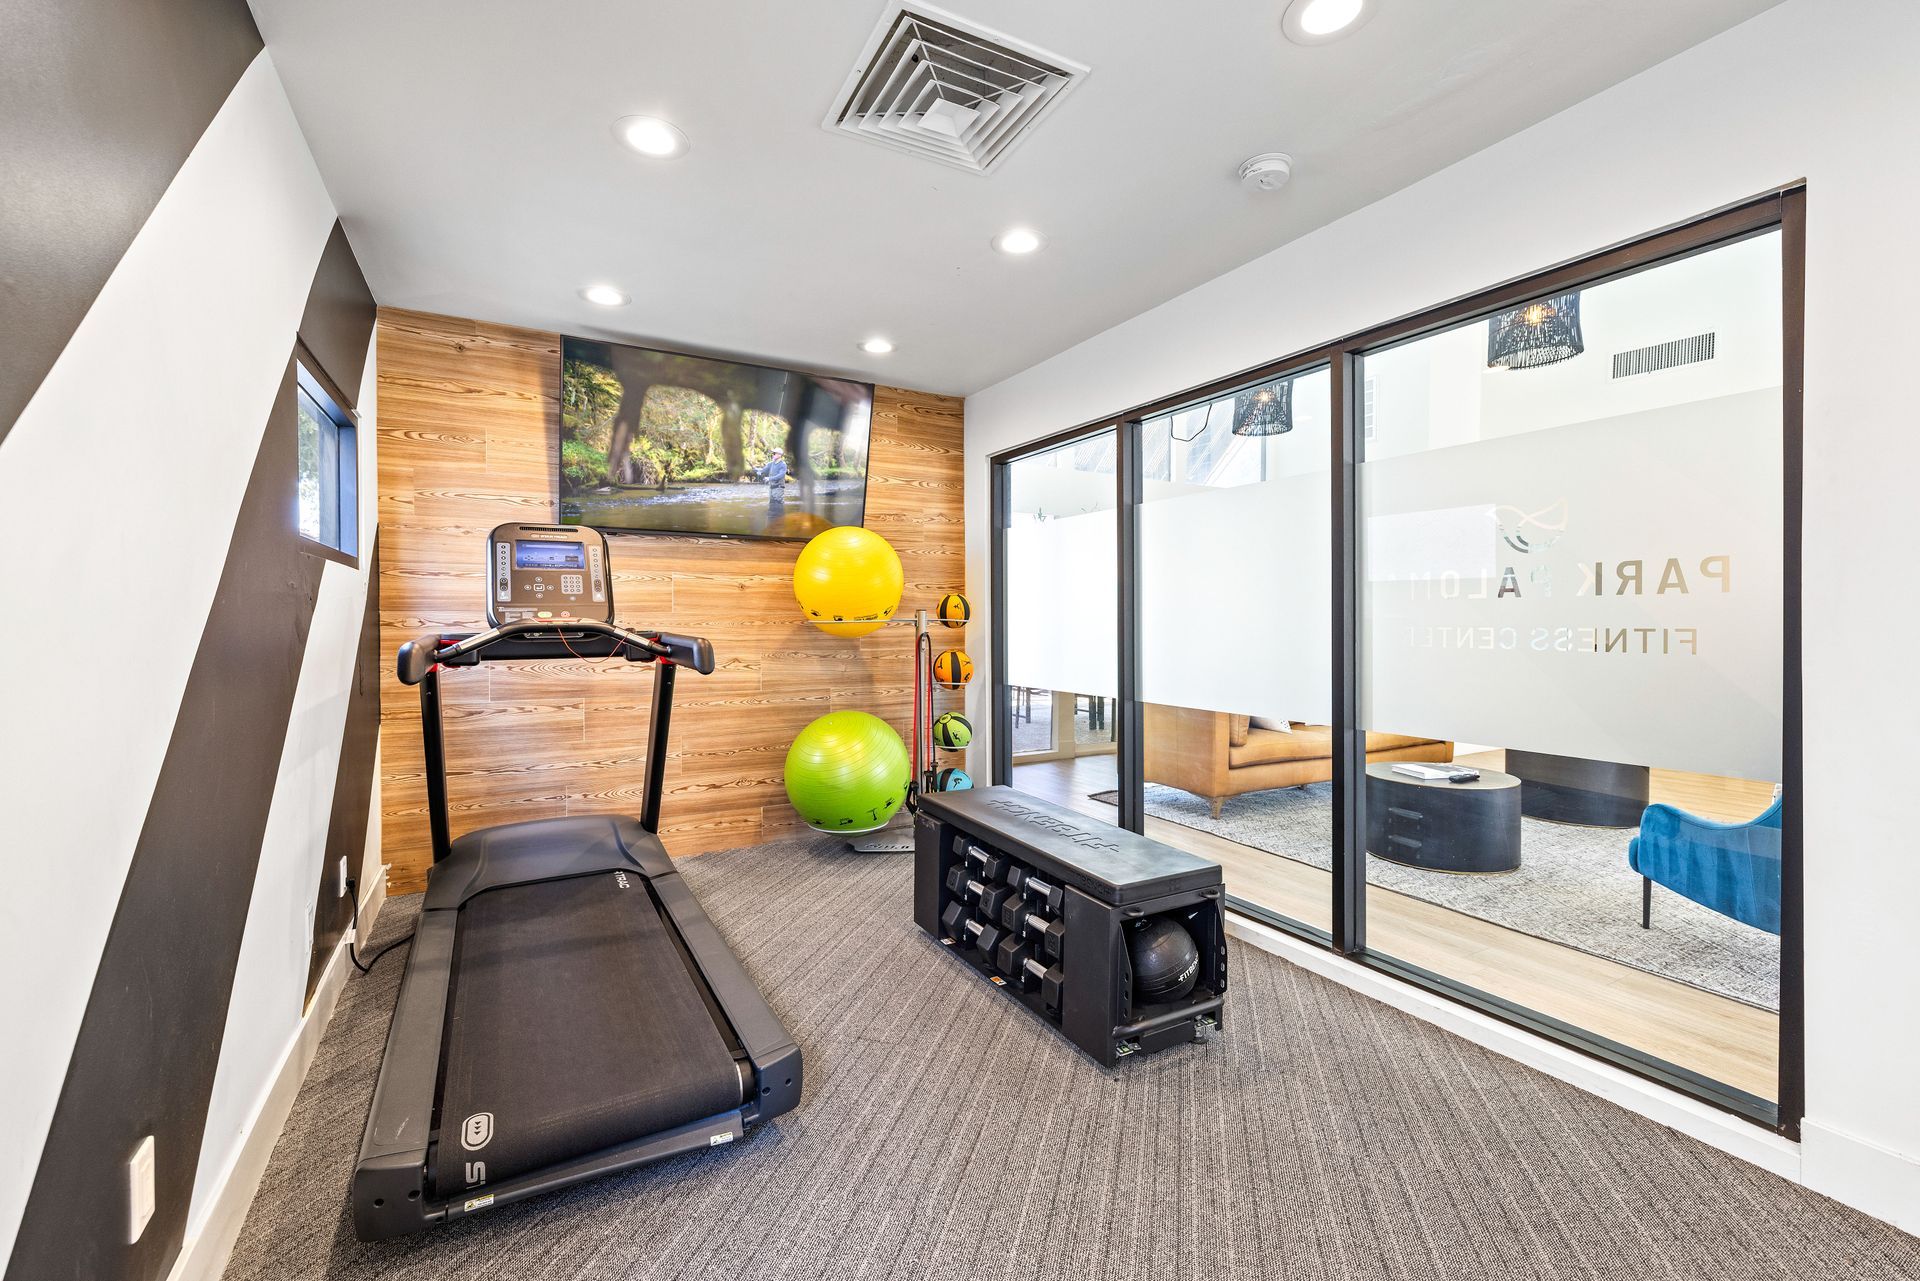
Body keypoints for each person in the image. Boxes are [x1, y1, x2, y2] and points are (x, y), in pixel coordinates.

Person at [763, 447, 788, 515]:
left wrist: (769, 478)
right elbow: (764, 470)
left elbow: (781, 475)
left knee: (778, 506)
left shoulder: (783, 464)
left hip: (778, 488)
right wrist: (758, 470)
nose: (773, 455)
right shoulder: (771, 463)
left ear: (779, 455)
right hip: (771, 488)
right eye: (773, 453)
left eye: (774, 453)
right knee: (772, 506)